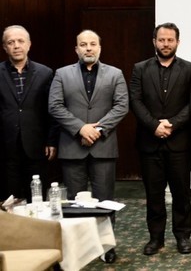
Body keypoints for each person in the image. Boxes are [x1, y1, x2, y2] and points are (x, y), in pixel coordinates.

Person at [48, 29, 129, 264]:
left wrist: (97, 130)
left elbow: (121, 106)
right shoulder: (62, 74)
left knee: (104, 200)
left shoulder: (115, 74)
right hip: (72, 146)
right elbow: (55, 106)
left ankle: (107, 246)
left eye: (92, 44)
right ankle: (79, 249)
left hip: (103, 147)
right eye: (83, 45)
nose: (88, 48)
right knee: (75, 201)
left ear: (100, 48)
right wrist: (80, 128)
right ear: (76, 49)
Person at [130, 23, 191, 256]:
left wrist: (173, 124)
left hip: (179, 142)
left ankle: (182, 237)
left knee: (181, 193)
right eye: (161, 40)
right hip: (149, 143)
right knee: (154, 194)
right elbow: (135, 101)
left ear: (178, 42)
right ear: (154, 42)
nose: (165, 44)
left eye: (170, 40)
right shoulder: (140, 69)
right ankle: (155, 238)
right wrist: (154, 125)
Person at [0, 25, 57, 201]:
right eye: (11, 42)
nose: (16, 46)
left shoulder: (45, 73)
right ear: (4, 47)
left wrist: (51, 140)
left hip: (37, 145)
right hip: (5, 147)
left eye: (20, 41)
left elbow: (53, 110)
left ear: (29, 44)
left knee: (38, 199)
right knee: (8, 200)